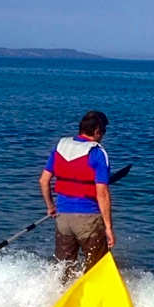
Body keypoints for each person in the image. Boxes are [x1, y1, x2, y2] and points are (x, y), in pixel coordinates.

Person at [39, 110, 115, 279]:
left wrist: (50, 207)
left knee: (64, 270)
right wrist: (109, 228)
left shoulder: (60, 146)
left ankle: (60, 299)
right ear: (96, 131)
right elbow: (102, 193)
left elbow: (44, 181)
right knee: (97, 269)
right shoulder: (97, 153)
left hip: (63, 218)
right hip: (88, 220)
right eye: (103, 131)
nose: (103, 136)